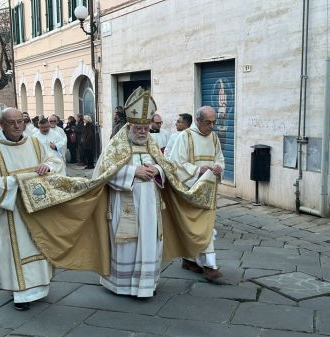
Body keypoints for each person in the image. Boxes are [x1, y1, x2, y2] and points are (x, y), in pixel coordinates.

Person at [12, 86, 218, 299]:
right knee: (127, 245)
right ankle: (122, 285)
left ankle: (147, 284)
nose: (143, 132)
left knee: (149, 242)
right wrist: (132, 171)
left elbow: (170, 169)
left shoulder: (153, 145)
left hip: (150, 207)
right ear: (129, 126)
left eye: (146, 128)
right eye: (138, 127)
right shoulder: (115, 146)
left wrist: (157, 170)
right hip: (124, 204)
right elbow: (103, 173)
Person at [0, 107, 64, 311]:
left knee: (38, 245)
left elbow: (54, 160)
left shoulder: (34, 142)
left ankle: (40, 287)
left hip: (36, 208)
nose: (18, 126)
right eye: (12, 123)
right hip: (12, 210)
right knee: (16, 248)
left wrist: (48, 167)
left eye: (20, 121)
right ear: (1, 124)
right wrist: (17, 181)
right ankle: (21, 294)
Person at [168, 106, 225, 281]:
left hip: (208, 191)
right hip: (190, 190)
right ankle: (206, 264)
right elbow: (175, 163)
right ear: (198, 121)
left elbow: (220, 158)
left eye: (214, 122)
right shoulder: (184, 137)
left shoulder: (214, 137)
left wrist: (218, 168)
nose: (212, 126)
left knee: (205, 226)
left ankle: (198, 262)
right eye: (208, 122)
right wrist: (198, 170)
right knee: (194, 227)